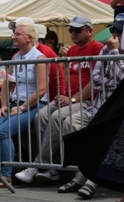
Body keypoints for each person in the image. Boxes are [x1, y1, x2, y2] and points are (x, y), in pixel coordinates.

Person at [15, 15, 104, 184]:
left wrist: (71, 99)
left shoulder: (97, 48)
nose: (73, 33)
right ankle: (51, 169)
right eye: (71, 30)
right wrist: (62, 96)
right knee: (41, 115)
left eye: (77, 30)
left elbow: (96, 83)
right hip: (71, 98)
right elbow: (65, 77)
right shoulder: (71, 51)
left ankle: (38, 164)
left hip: (89, 101)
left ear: (89, 31)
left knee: (57, 117)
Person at [0, 19, 48, 188]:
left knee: (2, 131)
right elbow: (6, 84)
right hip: (16, 105)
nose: (13, 37)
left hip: (34, 105)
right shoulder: (16, 57)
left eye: (17, 34)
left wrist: (22, 107)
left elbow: (41, 90)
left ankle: (6, 176)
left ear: (29, 38)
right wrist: (4, 105)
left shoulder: (40, 58)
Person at [56, 13, 124, 198]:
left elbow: (121, 80)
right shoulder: (104, 50)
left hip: (118, 109)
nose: (115, 34)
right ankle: (79, 173)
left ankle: (89, 180)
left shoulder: (110, 50)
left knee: (104, 134)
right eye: (114, 30)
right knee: (70, 123)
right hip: (99, 105)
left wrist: (114, 53)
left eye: (120, 31)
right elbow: (96, 80)